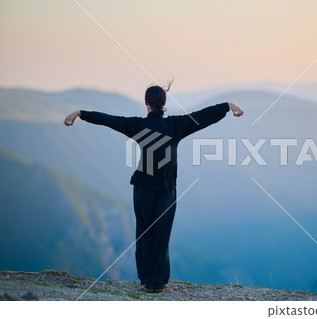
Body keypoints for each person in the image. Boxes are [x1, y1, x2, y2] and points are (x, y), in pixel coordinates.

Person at [64, 82, 244, 293]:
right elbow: (202, 116)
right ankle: (158, 284)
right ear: (164, 104)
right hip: (166, 189)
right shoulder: (176, 125)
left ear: (146, 103)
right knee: (161, 234)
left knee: (145, 233)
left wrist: (80, 113)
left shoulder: (138, 126)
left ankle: (148, 281)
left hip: (143, 188)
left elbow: (109, 120)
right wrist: (226, 105)